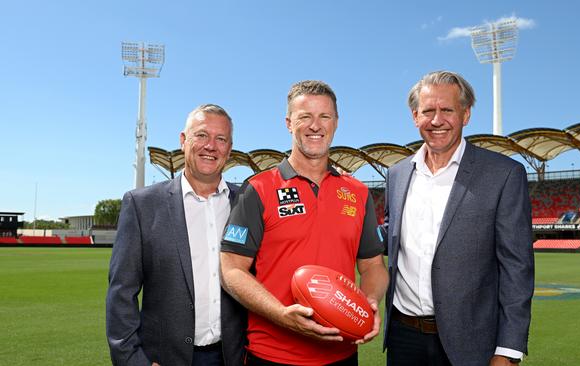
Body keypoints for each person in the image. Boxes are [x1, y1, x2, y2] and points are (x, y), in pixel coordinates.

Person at [220, 80, 388, 365]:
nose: (315, 125)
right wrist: (281, 314)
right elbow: (232, 270)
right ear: (289, 123)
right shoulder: (258, 189)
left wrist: (369, 301)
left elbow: (373, 266)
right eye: (305, 117)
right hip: (272, 355)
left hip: (341, 354)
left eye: (324, 116)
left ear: (336, 122)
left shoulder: (358, 192)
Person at [382, 71, 534, 366]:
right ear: (415, 116)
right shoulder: (397, 174)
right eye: (428, 111)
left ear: (465, 114)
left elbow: (517, 266)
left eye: (447, 110)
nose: (437, 120)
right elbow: (391, 234)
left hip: (470, 342)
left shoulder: (503, 174)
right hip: (403, 337)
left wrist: (509, 350)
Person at [106, 104, 247, 366]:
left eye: (221, 139)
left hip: (233, 357)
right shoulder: (142, 205)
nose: (211, 146)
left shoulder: (247, 203)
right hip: (165, 359)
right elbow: (121, 293)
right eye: (202, 135)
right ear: (183, 140)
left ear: (229, 149)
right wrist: (134, 361)